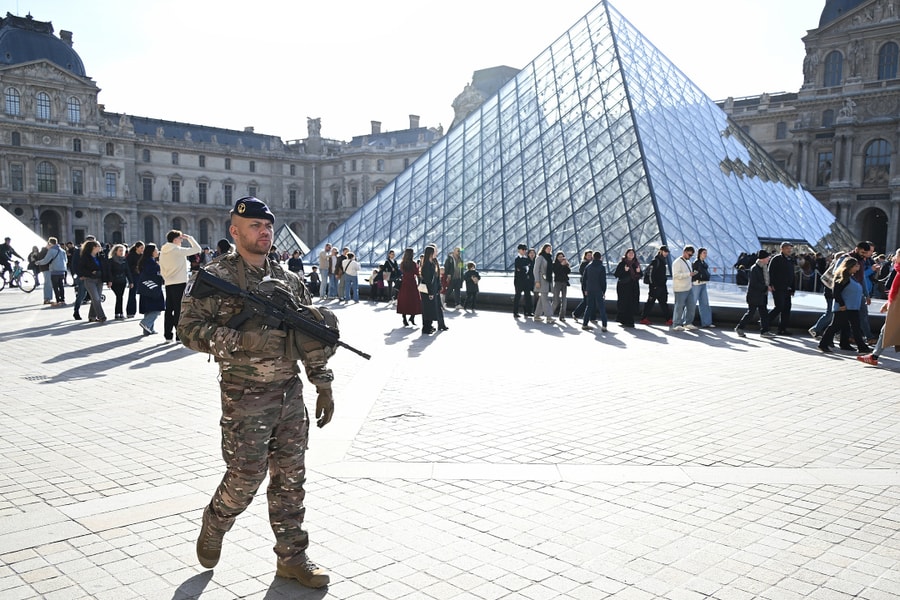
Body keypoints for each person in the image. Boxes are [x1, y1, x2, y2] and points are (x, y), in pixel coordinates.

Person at [178, 197, 335, 589]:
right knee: (246, 476)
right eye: (254, 226)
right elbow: (188, 331)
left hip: (289, 393)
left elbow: (309, 335)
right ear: (235, 231)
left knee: (290, 479)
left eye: (268, 226)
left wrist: (323, 383)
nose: (264, 231)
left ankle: (292, 558)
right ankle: (215, 522)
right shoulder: (216, 276)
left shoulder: (288, 280)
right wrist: (242, 340)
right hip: (244, 395)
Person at [818, 257, 871, 354]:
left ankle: (860, 346)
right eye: (856, 266)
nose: (858, 267)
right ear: (850, 266)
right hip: (844, 308)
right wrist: (841, 304)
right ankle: (823, 344)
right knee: (835, 326)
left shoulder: (852, 277)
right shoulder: (842, 277)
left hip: (853, 307)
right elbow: (836, 292)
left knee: (854, 327)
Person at [858, 249, 900, 366]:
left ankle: (874, 356)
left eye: (896, 255)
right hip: (896, 309)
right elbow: (895, 292)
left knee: (886, 330)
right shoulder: (898, 271)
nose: (894, 258)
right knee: (884, 331)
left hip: (898, 311)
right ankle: (874, 356)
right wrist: (888, 304)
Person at [159, 229, 202, 342]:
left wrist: (165, 277)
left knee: (169, 309)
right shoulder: (177, 250)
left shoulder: (163, 251)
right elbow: (197, 249)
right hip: (180, 282)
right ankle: (178, 335)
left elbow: (161, 267)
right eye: (180, 239)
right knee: (179, 309)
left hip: (168, 282)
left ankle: (168, 335)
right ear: (175, 239)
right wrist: (189, 238)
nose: (181, 241)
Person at [735, 250, 775, 338]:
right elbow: (754, 283)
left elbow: (765, 281)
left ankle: (765, 331)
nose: (769, 259)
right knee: (751, 313)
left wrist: (768, 286)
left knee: (764, 313)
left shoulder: (763, 267)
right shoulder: (755, 268)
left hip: (762, 295)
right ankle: (739, 328)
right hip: (754, 295)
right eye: (767, 257)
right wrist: (766, 287)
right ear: (762, 259)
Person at [767, 241, 796, 335]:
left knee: (787, 308)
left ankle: (782, 329)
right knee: (779, 307)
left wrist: (793, 288)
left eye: (790, 248)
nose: (789, 250)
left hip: (787, 288)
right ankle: (765, 322)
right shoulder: (776, 259)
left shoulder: (790, 259)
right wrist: (770, 284)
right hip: (778, 287)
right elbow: (770, 272)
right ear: (782, 249)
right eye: (787, 248)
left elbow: (793, 275)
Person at [77, 240, 108, 322]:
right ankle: (101, 316)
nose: (100, 247)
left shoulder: (100, 256)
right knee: (96, 298)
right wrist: (90, 273)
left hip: (99, 279)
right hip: (90, 279)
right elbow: (80, 268)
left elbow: (105, 267)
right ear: (93, 247)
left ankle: (92, 316)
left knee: (95, 299)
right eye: (98, 246)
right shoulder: (85, 257)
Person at [640, 246, 671, 325]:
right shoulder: (656, 261)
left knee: (663, 303)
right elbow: (651, 274)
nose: (666, 253)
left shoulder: (662, 261)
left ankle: (668, 319)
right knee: (651, 303)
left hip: (661, 286)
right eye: (665, 251)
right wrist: (653, 285)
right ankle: (643, 318)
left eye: (667, 252)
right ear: (661, 251)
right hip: (656, 286)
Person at [137, 244, 164, 335]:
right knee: (157, 308)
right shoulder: (149, 262)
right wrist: (159, 266)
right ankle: (146, 323)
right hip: (152, 287)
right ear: (151, 252)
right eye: (156, 250)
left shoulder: (146, 260)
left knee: (148, 309)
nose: (158, 252)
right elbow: (151, 272)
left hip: (146, 287)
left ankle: (148, 329)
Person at [420, 244, 447, 334]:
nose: (436, 253)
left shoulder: (431, 263)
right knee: (428, 309)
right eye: (435, 251)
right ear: (431, 253)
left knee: (430, 309)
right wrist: (431, 292)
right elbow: (428, 280)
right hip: (428, 291)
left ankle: (429, 326)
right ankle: (426, 328)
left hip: (432, 289)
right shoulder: (428, 265)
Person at [686, 247, 715, 328]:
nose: (705, 255)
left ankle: (707, 322)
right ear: (699, 254)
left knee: (705, 303)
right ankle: (686, 322)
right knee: (692, 303)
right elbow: (693, 274)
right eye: (704, 253)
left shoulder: (703, 263)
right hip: (696, 284)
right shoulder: (696, 263)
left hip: (703, 284)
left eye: (706, 253)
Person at [35, 237, 68, 306]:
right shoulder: (62, 250)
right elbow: (66, 261)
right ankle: (62, 300)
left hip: (54, 270)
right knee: (61, 285)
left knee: (55, 286)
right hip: (62, 270)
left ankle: (58, 300)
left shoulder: (51, 250)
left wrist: (38, 262)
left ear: (50, 243)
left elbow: (46, 260)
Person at [670, 245, 696, 331]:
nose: (690, 256)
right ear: (684, 252)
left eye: (692, 255)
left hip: (688, 287)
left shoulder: (688, 262)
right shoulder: (677, 262)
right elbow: (676, 275)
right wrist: (688, 274)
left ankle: (688, 323)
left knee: (691, 306)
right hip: (680, 289)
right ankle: (676, 324)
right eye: (689, 255)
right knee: (679, 307)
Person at [614, 248, 641, 328]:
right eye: (629, 253)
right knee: (625, 303)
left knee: (631, 303)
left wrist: (639, 272)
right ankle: (627, 320)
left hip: (633, 287)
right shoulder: (622, 263)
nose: (631, 254)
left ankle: (627, 320)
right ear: (626, 254)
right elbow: (617, 274)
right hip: (624, 287)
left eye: (632, 253)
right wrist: (624, 270)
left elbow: (640, 275)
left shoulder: (636, 264)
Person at [581, 251, 608, 332]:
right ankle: (604, 325)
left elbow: (584, 279)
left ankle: (585, 324)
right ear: (600, 257)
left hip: (589, 289)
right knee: (602, 308)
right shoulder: (602, 267)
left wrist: (585, 289)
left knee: (589, 307)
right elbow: (603, 281)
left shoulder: (588, 266)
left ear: (593, 257)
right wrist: (604, 291)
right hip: (598, 290)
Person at [396, 248, 422, 327]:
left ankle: (404, 318)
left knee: (404, 300)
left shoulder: (402, 263)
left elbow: (401, 271)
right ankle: (412, 316)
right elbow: (417, 273)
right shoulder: (413, 264)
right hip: (412, 283)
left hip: (404, 283)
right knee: (414, 300)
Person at [107, 243, 133, 320]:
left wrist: (131, 281)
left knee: (120, 297)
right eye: (120, 251)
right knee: (119, 296)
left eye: (123, 251)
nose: (121, 252)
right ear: (115, 251)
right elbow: (109, 271)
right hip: (114, 281)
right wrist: (110, 281)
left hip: (122, 281)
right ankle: (118, 313)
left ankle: (119, 313)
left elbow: (127, 271)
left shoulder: (124, 260)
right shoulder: (111, 260)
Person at [532, 243, 555, 323]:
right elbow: (536, 270)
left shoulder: (549, 258)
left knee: (542, 300)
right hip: (541, 281)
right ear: (544, 249)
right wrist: (537, 281)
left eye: (550, 248)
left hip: (547, 281)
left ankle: (537, 316)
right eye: (548, 248)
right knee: (545, 299)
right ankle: (549, 317)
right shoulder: (540, 258)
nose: (549, 250)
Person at [512, 244, 533, 318]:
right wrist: (525, 266)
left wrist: (524, 267)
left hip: (526, 281)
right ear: (519, 250)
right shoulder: (517, 259)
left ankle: (528, 311)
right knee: (518, 296)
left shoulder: (526, 259)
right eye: (523, 249)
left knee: (528, 296)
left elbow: (525, 267)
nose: (524, 251)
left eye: (525, 250)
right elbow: (519, 269)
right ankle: (515, 312)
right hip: (518, 281)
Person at [125, 242, 144, 318]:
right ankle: (130, 311)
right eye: (141, 248)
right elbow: (128, 267)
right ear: (137, 247)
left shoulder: (142, 256)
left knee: (143, 293)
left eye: (143, 248)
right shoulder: (131, 256)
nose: (142, 249)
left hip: (141, 276)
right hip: (133, 276)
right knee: (132, 294)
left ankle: (144, 310)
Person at [550, 252, 571, 321]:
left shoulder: (565, 264)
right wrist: (561, 265)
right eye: (559, 257)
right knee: (555, 300)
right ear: (556, 257)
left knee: (564, 300)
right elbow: (556, 271)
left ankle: (562, 316)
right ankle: (549, 315)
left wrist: (566, 265)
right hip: (558, 282)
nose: (560, 258)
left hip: (564, 283)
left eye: (562, 257)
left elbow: (568, 271)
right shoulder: (554, 264)